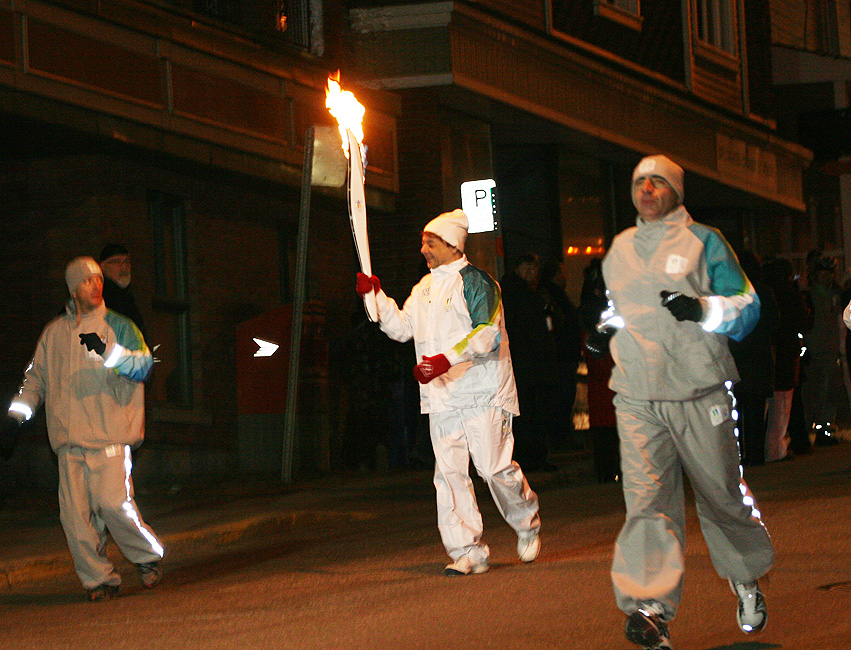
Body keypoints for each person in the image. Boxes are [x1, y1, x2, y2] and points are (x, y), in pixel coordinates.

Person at [597, 155, 774, 649]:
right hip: (636, 389)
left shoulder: (705, 241)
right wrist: (602, 329)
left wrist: (701, 309)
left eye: (657, 181)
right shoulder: (620, 247)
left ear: (677, 190)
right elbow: (624, 307)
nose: (646, 189)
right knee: (647, 502)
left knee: (720, 493)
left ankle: (745, 575)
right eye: (638, 182)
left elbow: (747, 306)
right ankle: (650, 608)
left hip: (697, 387)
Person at [356, 209, 541, 576]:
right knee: (450, 473)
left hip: (483, 390)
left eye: (431, 242)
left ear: (453, 244)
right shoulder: (423, 288)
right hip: (441, 396)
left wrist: (446, 359)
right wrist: (375, 297)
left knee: (493, 468)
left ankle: (526, 523)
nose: (423, 249)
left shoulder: (477, 282)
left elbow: (487, 334)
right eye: (423, 242)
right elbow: (402, 328)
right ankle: (468, 550)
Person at [0, 257, 164, 601]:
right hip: (69, 444)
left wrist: (108, 353)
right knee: (74, 518)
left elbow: (144, 366)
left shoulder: (119, 325)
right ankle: (99, 579)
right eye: (87, 281)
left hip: (110, 438)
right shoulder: (53, 333)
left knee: (114, 505)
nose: (96, 285)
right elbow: (36, 381)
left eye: (98, 280)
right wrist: (17, 417)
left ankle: (147, 557)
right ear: (73, 289)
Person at [501, 253, 560, 471]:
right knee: (531, 413)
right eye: (529, 268)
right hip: (529, 365)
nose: (533, 273)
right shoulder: (522, 295)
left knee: (529, 412)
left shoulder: (517, 293)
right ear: (519, 268)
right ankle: (532, 457)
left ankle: (531, 456)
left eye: (535, 268)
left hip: (525, 364)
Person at [728, 251, 777, 466]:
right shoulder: (764, 292)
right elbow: (774, 323)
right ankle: (756, 454)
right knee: (756, 409)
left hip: (737, 354)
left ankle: (738, 454)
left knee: (736, 408)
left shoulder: (732, 292)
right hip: (758, 355)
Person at [539, 259, 584, 450]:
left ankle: (561, 436)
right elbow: (560, 324)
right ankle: (561, 437)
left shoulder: (551, 295)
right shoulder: (554, 297)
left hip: (563, 355)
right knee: (562, 398)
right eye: (562, 273)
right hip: (562, 356)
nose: (565, 278)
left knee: (562, 398)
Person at [99, 243, 146, 339]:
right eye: (116, 262)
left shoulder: (127, 297)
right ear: (102, 267)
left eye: (127, 261)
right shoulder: (100, 298)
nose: (124, 267)